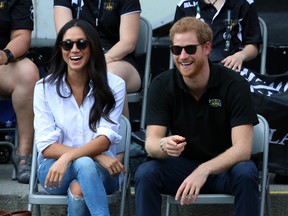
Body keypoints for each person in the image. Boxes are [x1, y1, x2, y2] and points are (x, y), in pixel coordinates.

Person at [134, 17, 260, 216]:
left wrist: (204, 169)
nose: (183, 56)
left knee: (246, 172)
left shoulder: (234, 85)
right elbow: (151, 143)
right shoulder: (161, 85)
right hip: (182, 170)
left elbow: (243, 149)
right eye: (176, 49)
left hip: (224, 169)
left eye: (190, 49)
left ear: (207, 48)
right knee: (146, 172)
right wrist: (163, 145)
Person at [33, 19, 126, 215]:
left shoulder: (114, 85)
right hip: (54, 171)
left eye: (82, 44)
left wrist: (69, 156)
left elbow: (104, 140)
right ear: (61, 49)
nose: (74, 49)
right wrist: (97, 156)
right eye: (68, 44)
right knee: (84, 163)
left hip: (103, 172)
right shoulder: (43, 88)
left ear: (93, 47)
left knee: (79, 186)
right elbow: (46, 146)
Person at [53, 0, 142, 118]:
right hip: (78, 54)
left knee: (108, 76)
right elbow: (66, 35)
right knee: (52, 80)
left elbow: (128, 43)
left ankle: (119, 134)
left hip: (117, 59)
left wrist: (99, 61)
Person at [0, 0, 39, 183]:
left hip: (2, 64)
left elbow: (22, 36)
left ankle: (24, 156)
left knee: (28, 72)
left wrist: (5, 54)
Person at [174, 0, 262, 72]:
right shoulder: (185, 5)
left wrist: (240, 56)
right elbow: (176, 46)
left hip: (230, 69)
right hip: (194, 68)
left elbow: (253, 45)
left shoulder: (244, 3)